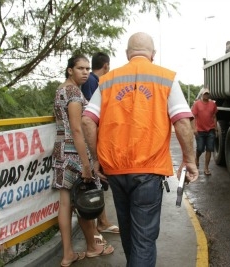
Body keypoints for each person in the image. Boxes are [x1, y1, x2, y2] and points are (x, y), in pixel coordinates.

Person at [81, 32, 199, 267]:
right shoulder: (165, 78)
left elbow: (87, 121)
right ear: (152, 55)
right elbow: (183, 121)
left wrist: (96, 159)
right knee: (144, 238)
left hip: (115, 169)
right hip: (148, 170)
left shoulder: (108, 80)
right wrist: (189, 160)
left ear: (127, 54)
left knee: (128, 231)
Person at [53, 54, 114, 267]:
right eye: (80, 68)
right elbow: (77, 129)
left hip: (61, 152)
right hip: (76, 155)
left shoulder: (60, 90)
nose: (86, 72)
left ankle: (68, 253)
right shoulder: (73, 92)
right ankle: (94, 246)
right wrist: (87, 164)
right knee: (85, 201)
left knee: (65, 205)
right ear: (70, 70)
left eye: (88, 68)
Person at [81, 52, 120, 244]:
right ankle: (97, 226)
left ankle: (102, 222)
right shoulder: (92, 82)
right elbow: (89, 117)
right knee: (95, 181)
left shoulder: (94, 81)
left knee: (100, 182)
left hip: (99, 138)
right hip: (94, 140)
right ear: (106, 66)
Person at [192, 88, 218, 176]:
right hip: (200, 131)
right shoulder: (197, 104)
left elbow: (214, 116)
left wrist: (216, 128)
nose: (206, 95)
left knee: (209, 149)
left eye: (207, 94)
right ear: (202, 95)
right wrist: (194, 128)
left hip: (210, 130)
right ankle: (197, 158)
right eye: (205, 94)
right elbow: (193, 117)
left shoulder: (212, 104)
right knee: (200, 148)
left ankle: (206, 168)